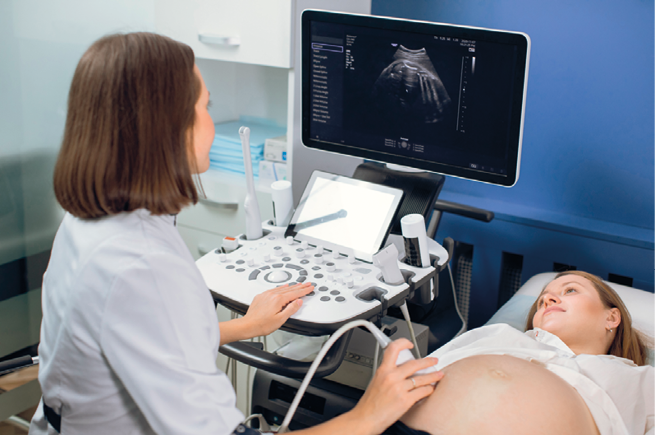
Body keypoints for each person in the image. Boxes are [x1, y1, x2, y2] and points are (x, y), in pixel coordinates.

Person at [29, 32, 444, 435]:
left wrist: (245, 326)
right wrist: (369, 414)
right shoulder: (141, 264)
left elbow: (143, 338)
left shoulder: (93, 218)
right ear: (170, 127)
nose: (211, 123)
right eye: (205, 107)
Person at [386, 270, 654, 435]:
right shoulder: (498, 335)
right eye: (542, 300)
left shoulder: (639, 380)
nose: (548, 299)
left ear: (612, 317)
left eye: (570, 290)